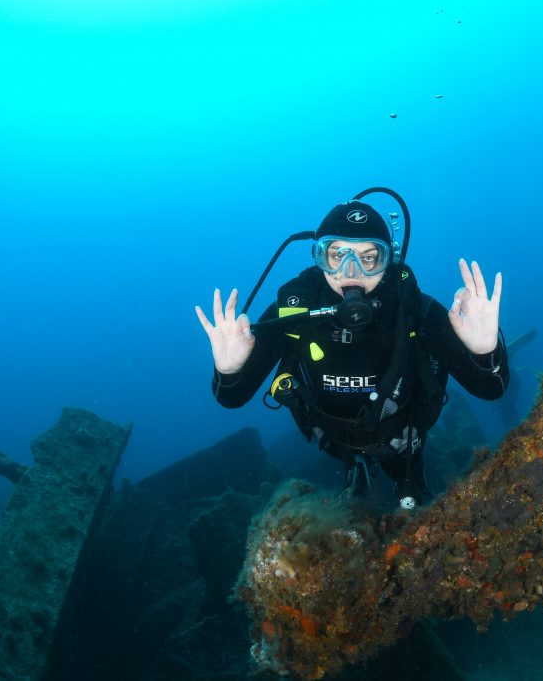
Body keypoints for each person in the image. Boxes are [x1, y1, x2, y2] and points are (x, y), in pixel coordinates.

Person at [195, 197, 509, 509]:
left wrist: (485, 350)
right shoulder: (294, 310)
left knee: (411, 499)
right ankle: (357, 468)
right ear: (319, 257)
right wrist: (229, 369)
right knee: (354, 486)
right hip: (332, 440)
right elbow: (231, 398)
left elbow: (492, 388)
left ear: (388, 261)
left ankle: (395, 478)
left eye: (369, 257)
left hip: (403, 441)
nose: (351, 271)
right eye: (337, 255)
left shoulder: (414, 309)